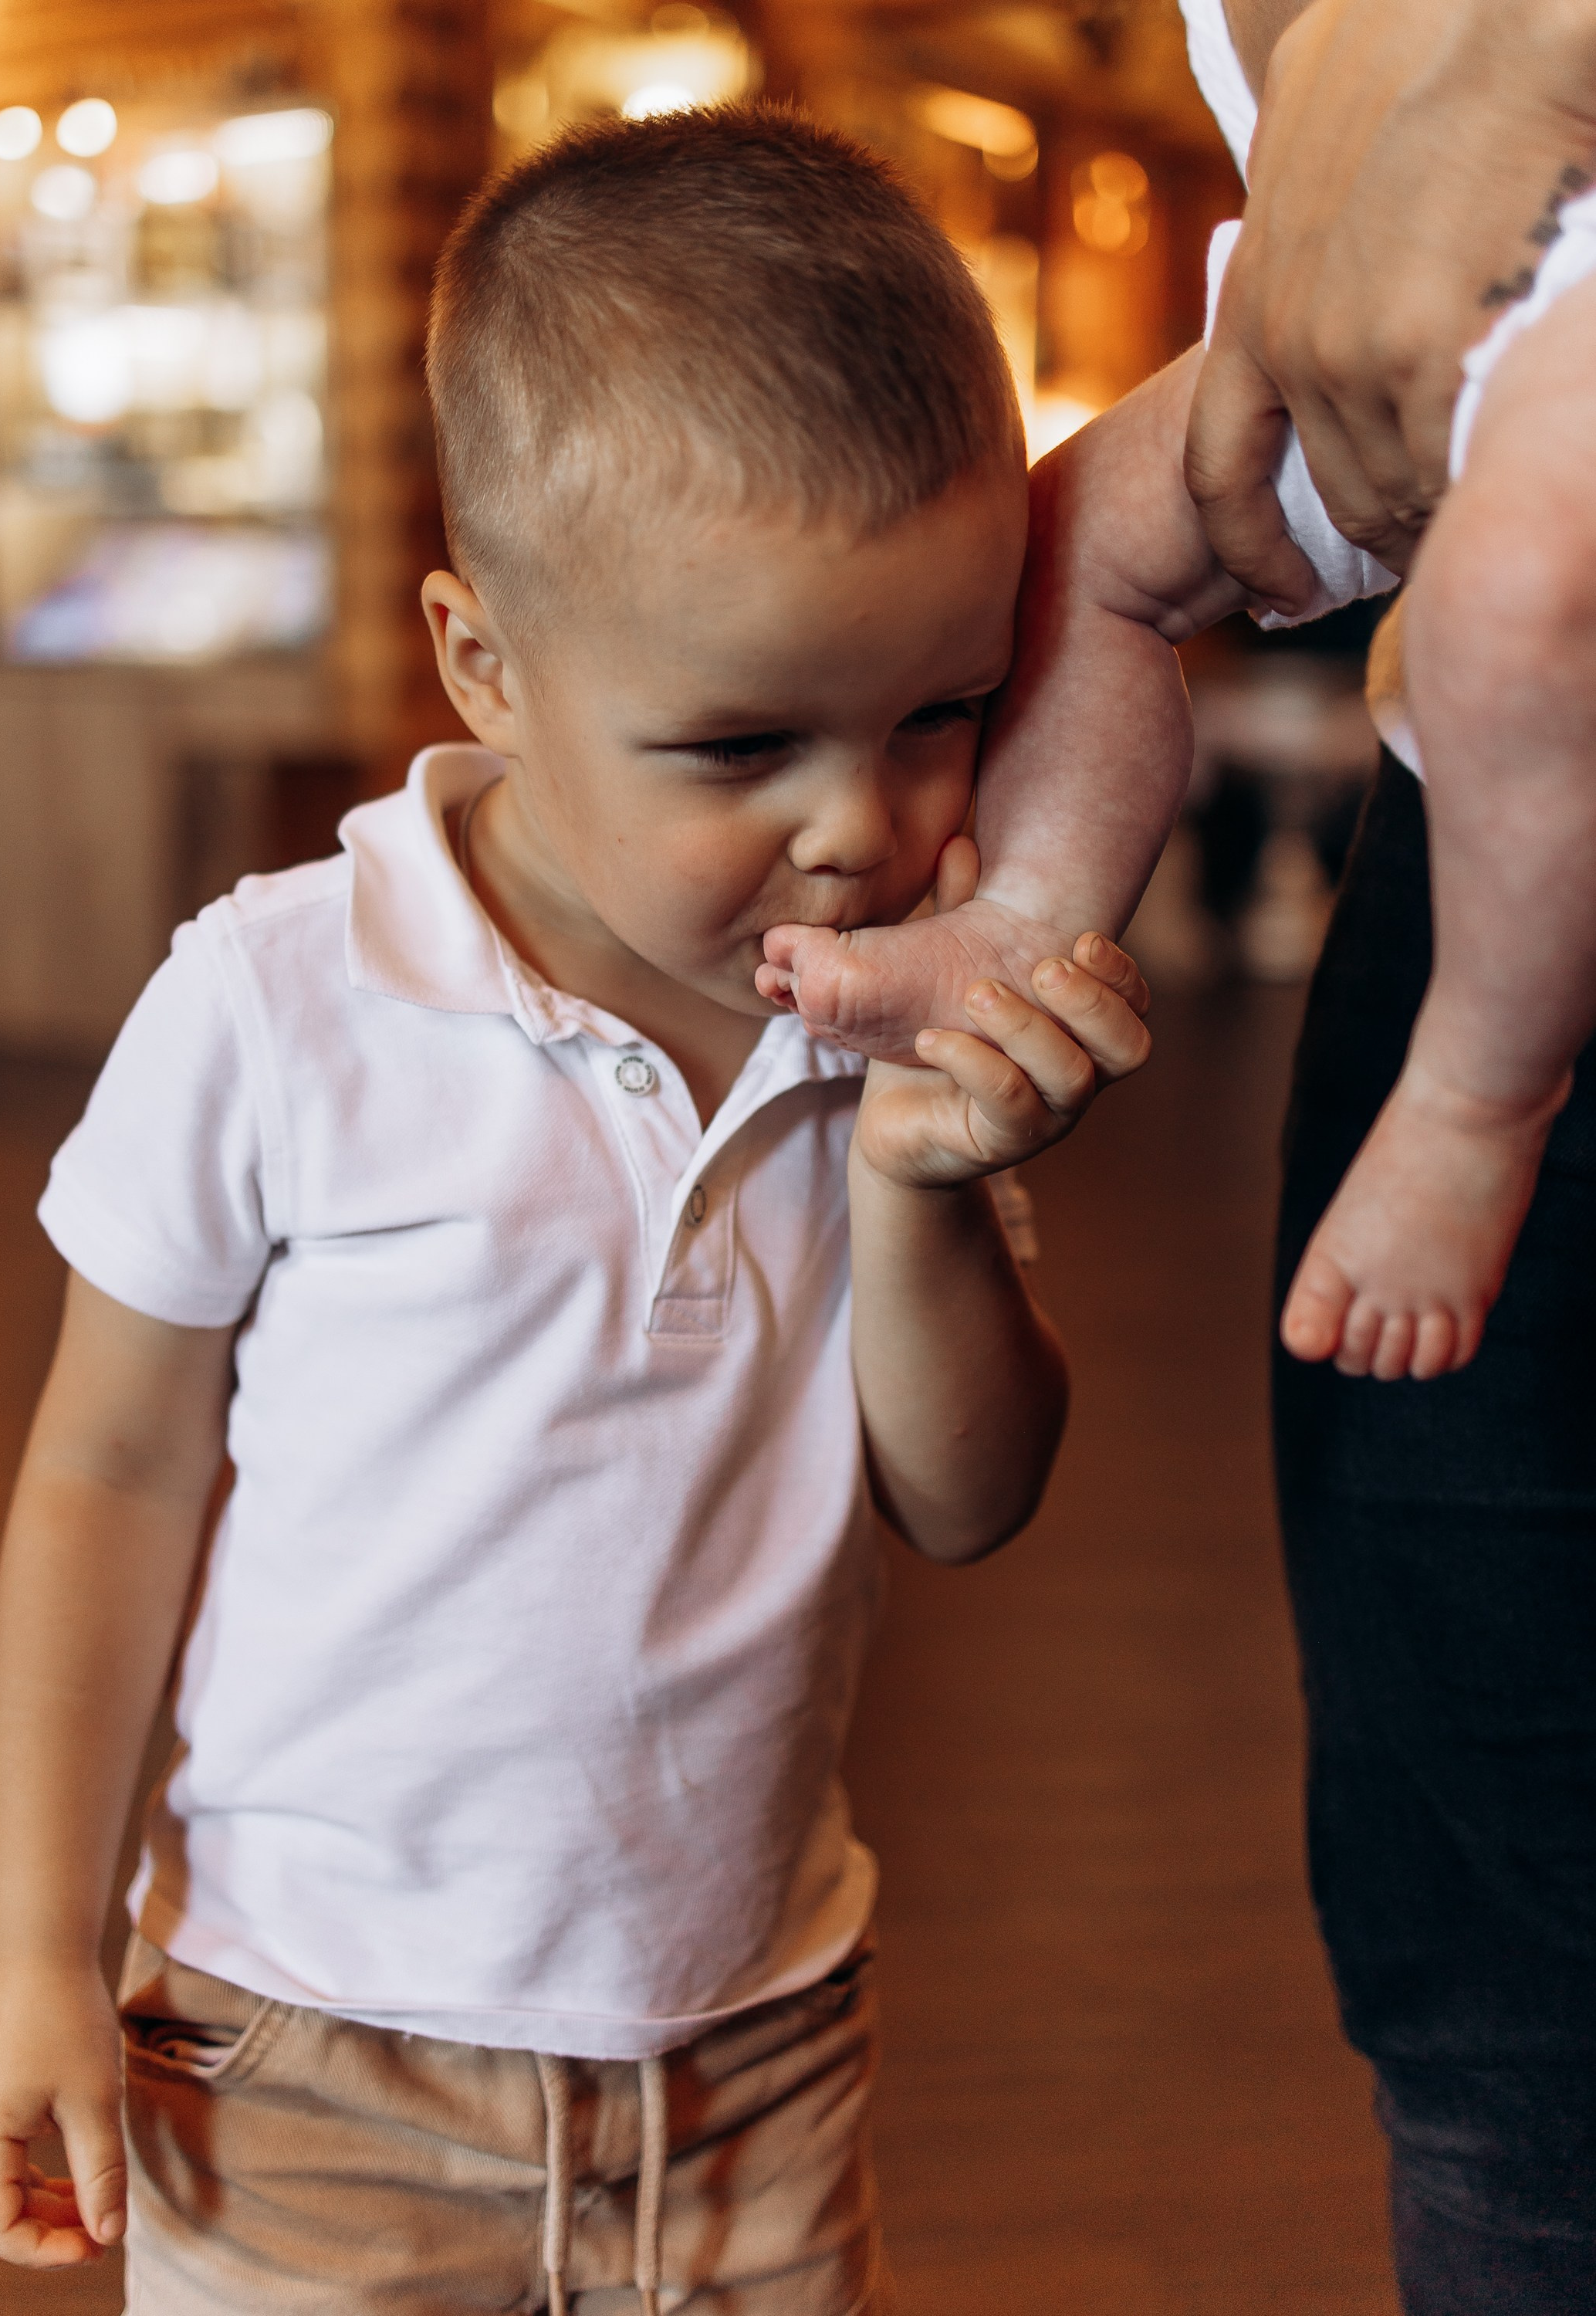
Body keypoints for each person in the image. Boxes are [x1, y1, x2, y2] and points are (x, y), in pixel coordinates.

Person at [0, 107, 1151, 2314]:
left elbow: (969, 1501)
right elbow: (106, 1474)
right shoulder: (280, 1001)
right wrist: (34, 1953)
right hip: (307, 2064)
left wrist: (921, 1188)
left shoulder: (896, 1014)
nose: (860, 828)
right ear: (483, 664)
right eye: (740, 747)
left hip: (757, 2055)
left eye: (944, 711)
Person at [765, 1, 1596, 2304]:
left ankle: (1480, 1090)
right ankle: (1025, 915)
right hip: (1406, 336)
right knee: (1082, 535)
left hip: (1531, 357)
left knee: (1527, 598)